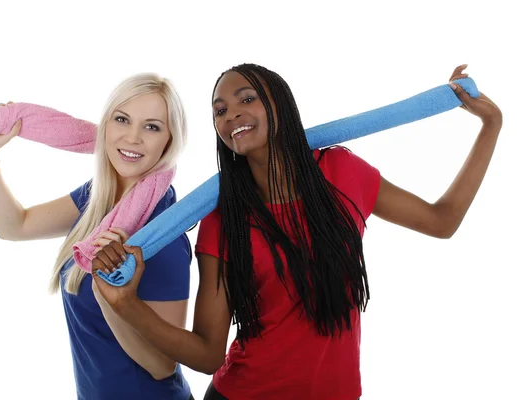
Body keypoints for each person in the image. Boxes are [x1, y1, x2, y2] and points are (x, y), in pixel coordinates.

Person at [91, 64, 502, 400]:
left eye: (246, 99)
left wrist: (491, 127)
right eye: (219, 110)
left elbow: (442, 220)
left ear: (279, 105)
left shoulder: (342, 172)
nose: (231, 113)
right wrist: (126, 304)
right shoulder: (222, 218)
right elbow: (207, 353)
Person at [0, 73, 194, 400]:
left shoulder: (164, 237)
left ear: (169, 140)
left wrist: (111, 297)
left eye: (151, 127)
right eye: (122, 119)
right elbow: (14, 226)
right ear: (105, 126)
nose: (133, 138)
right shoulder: (99, 199)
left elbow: (162, 366)